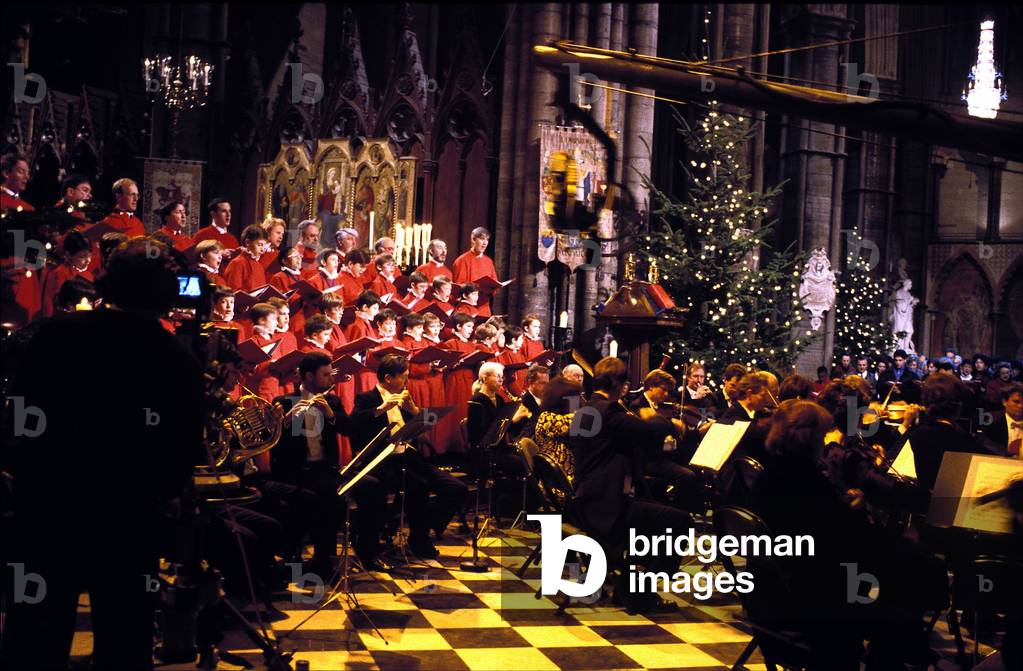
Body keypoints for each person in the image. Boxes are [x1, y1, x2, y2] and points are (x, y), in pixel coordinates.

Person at [4, 238, 206, 671]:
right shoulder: (174, 357)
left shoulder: (56, 334)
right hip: (128, 516)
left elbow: (18, 414)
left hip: (47, 504)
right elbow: (183, 449)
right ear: (165, 295)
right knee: (125, 638)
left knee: (35, 636)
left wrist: (24, 475)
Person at [750, 400, 939, 670]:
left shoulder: (772, 474)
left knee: (898, 582)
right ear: (811, 438)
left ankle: (907, 645)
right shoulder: (805, 481)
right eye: (825, 433)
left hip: (772, 594)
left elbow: (821, 528)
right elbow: (846, 541)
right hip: (810, 599)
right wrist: (857, 513)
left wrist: (841, 506)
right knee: (907, 586)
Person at [568, 357, 692, 614]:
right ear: (614, 382)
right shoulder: (610, 411)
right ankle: (642, 587)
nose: (626, 387)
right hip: (607, 505)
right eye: (624, 381)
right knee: (681, 521)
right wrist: (660, 419)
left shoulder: (586, 409)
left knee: (656, 512)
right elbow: (650, 430)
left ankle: (633, 582)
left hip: (586, 498)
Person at [271, 352, 391, 572]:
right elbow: (274, 446)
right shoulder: (285, 402)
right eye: (325, 375)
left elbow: (349, 429)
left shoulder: (332, 401)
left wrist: (330, 414)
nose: (330, 379)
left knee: (373, 487)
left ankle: (367, 552)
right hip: (299, 472)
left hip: (327, 469)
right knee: (330, 497)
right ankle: (323, 560)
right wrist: (285, 423)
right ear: (308, 376)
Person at [350, 355, 469, 556]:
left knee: (457, 489)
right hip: (384, 462)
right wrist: (380, 409)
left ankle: (424, 528)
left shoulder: (405, 398)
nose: (407, 382)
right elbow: (354, 425)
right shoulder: (366, 398)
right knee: (418, 486)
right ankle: (419, 539)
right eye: (403, 377)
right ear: (388, 378)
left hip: (410, 458)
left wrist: (413, 410)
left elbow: (427, 423)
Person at [40, 229, 93, 317]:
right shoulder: (59, 274)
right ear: (68, 255)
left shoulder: (88, 274)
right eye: (82, 256)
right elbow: (50, 305)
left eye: (89, 256)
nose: (88, 260)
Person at [979, 381, 1023, 458]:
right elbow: (985, 444)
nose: (1021, 406)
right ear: (1004, 402)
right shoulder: (991, 421)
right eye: (1016, 402)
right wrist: (1008, 455)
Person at [222, 224, 269, 292]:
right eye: (259, 245)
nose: (262, 249)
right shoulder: (237, 263)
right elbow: (232, 291)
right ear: (247, 242)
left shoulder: (259, 266)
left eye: (264, 246)